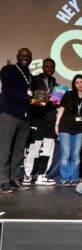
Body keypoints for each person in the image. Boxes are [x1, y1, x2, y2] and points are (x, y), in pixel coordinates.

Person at [0, 48, 34, 193]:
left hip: (25, 117)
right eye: (22, 55)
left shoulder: (31, 76)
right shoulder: (8, 70)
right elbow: (8, 89)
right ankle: (3, 180)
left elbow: (36, 96)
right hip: (9, 114)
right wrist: (28, 98)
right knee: (4, 148)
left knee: (19, 150)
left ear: (31, 59)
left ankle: (14, 179)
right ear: (17, 56)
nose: (25, 57)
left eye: (27, 56)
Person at [23, 58, 59, 186]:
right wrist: (44, 99)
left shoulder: (54, 82)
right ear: (43, 67)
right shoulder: (35, 79)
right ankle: (27, 175)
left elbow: (54, 101)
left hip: (50, 119)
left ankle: (42, 175)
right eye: (47, 66)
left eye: (51, 67)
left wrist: (55, 101)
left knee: (48, 149)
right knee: (34, 148)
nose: (49, 69)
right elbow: (31, 97)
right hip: (38, 118)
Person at [55, 74, 82, 186]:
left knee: (75, 155)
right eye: (77, 82)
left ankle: (74, 178)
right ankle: (65, 178)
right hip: (65, 127)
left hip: (79, 129)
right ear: (74, 84)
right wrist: (57, 124)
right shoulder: (68, 94)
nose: (80, 84)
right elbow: (61, 110)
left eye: (81, 82)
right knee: (66, 154)